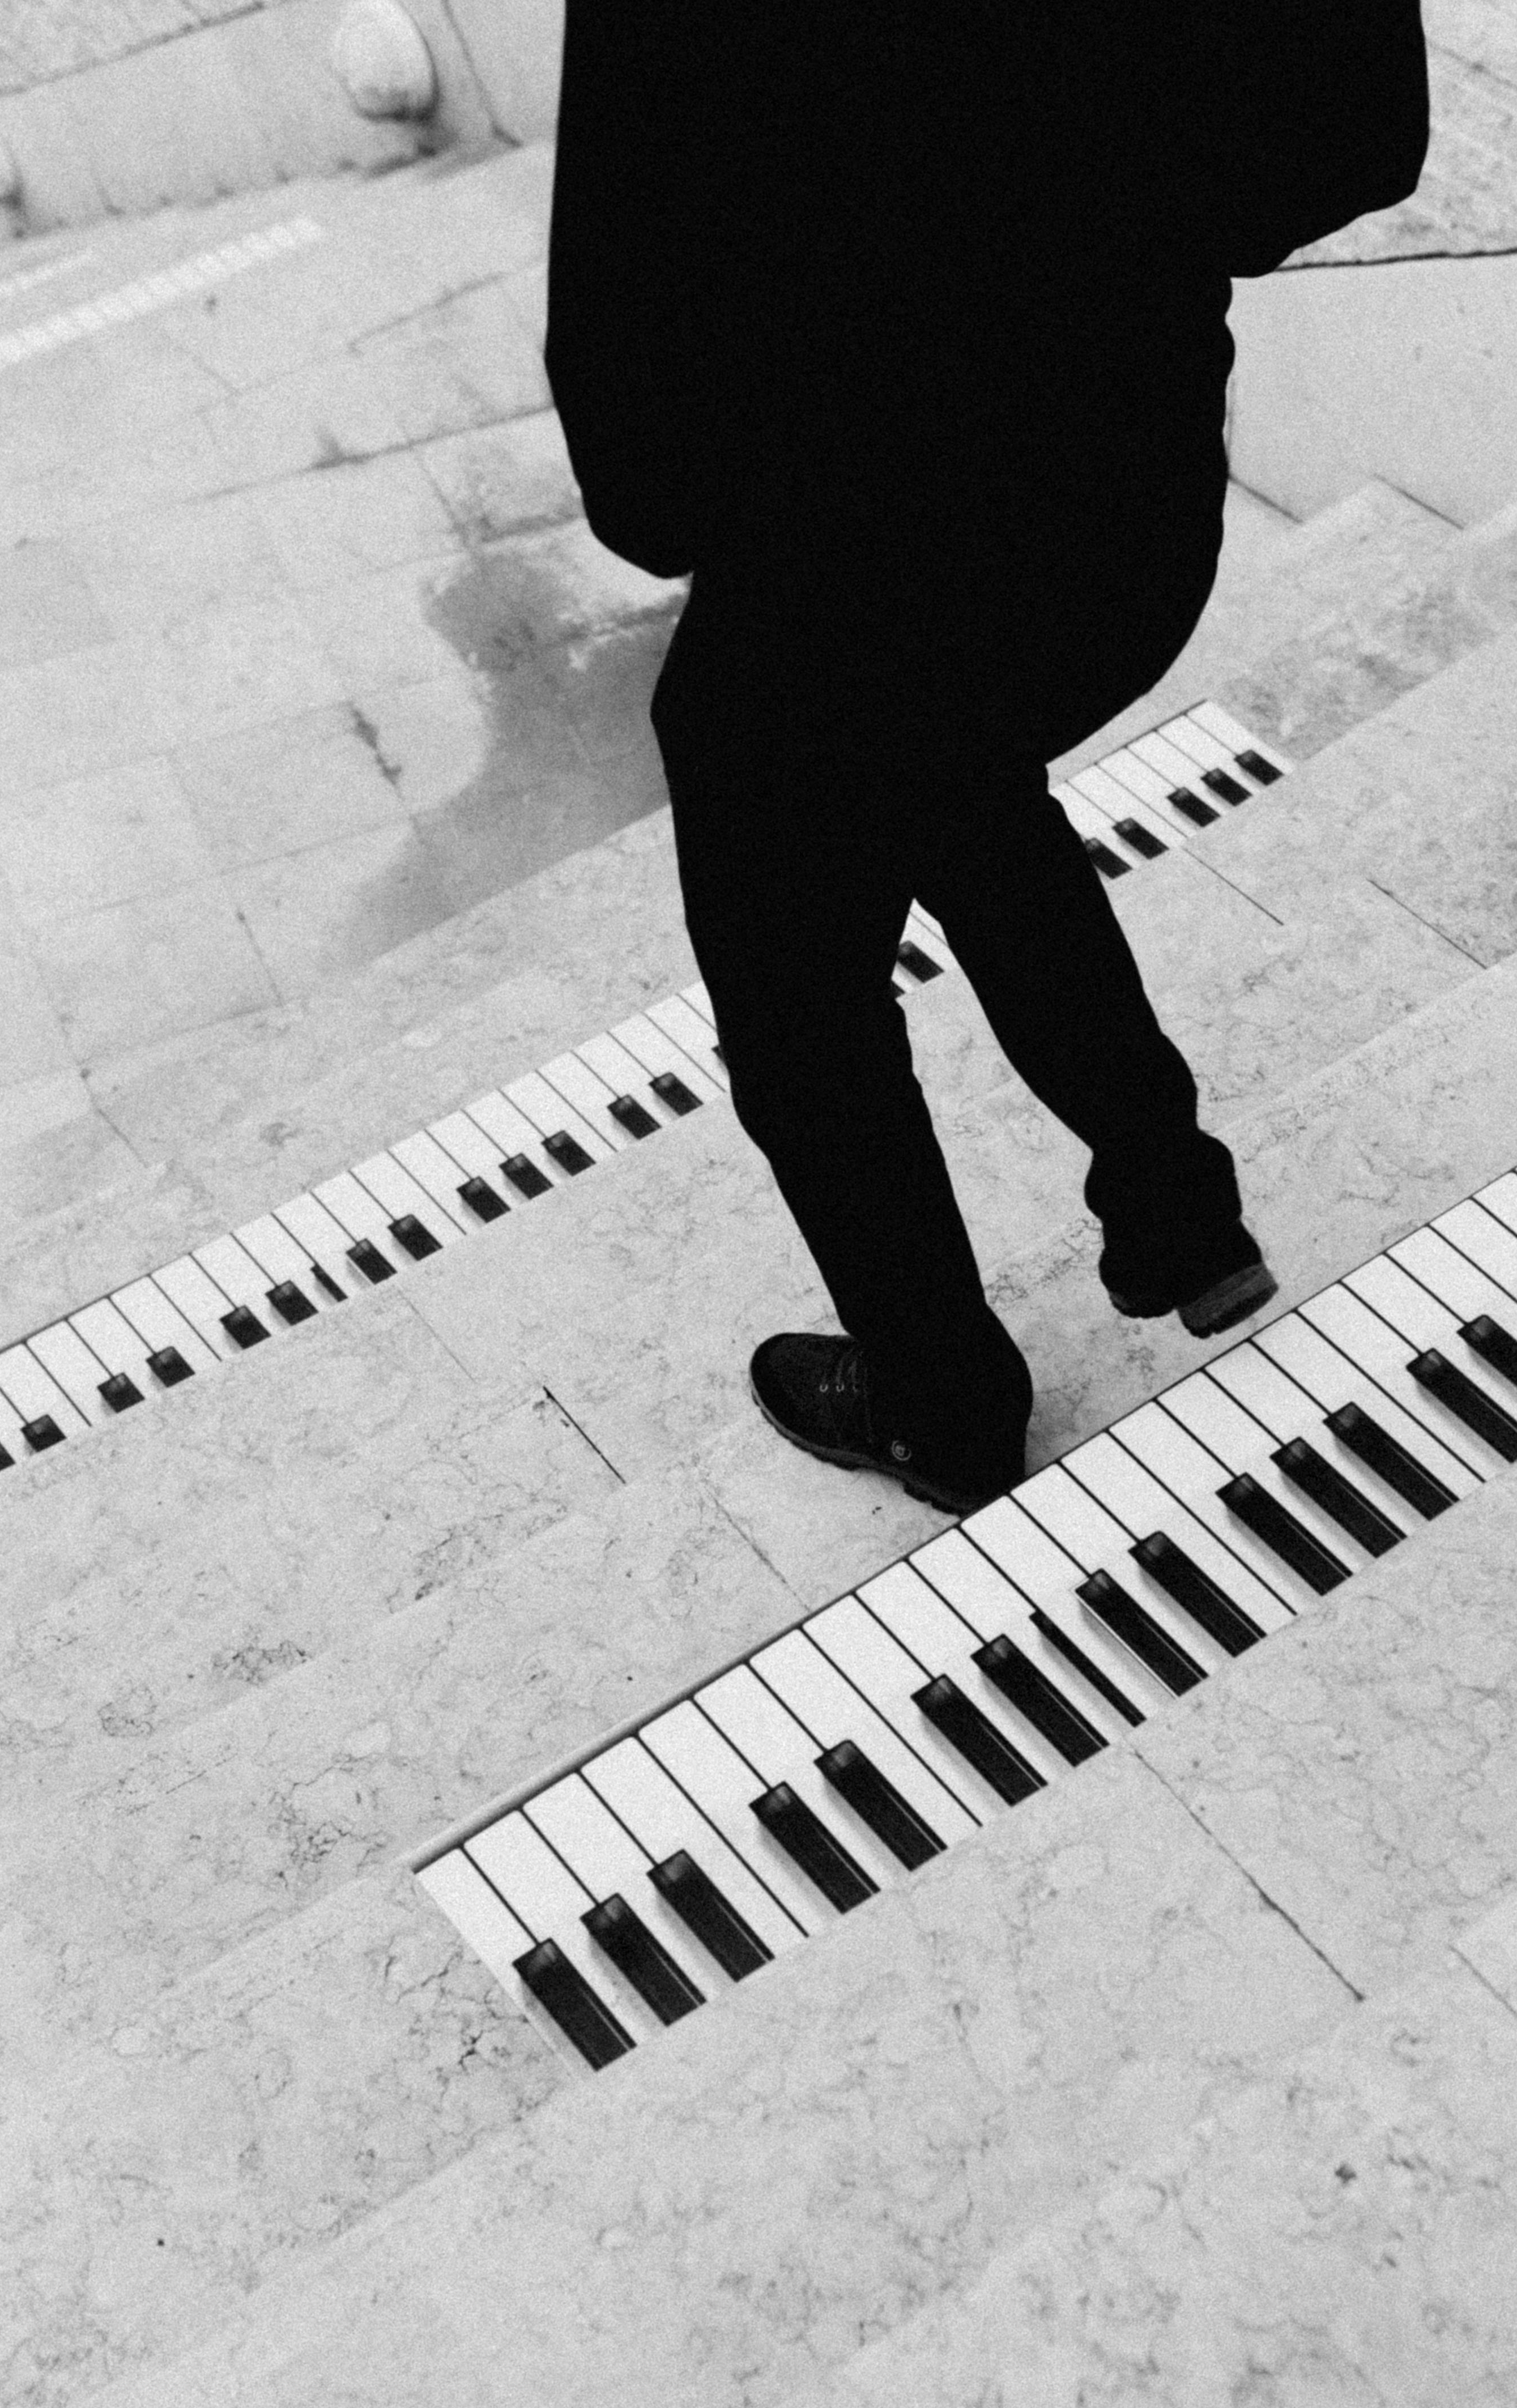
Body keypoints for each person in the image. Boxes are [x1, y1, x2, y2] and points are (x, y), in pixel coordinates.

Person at [546, 0, 1430, 1517]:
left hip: (842, 537)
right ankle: (1169, 1195)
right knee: (949, 775)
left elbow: (641, 467)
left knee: (797, 975)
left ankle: (944, 1398)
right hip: (1123, 491)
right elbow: (1352, 131)